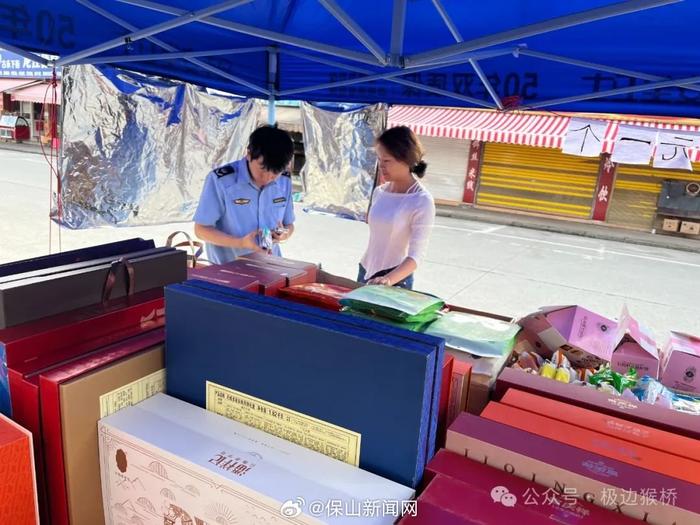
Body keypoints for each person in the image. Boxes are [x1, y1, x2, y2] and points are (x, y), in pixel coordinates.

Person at [193, 125, 295, 264]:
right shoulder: (221, 181)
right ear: (248, 153)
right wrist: (240, 242)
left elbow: (289, 224)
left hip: (271, 266)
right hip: (228, 270)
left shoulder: (284, 181)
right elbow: (201, 230)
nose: (268, 177)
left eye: (275, 172)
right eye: (263, 169)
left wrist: (284, 234)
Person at [358, 126, 436, 290]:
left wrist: (387, 280)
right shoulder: (379, 192)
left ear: (406, 159)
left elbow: (416, 256)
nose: (381, 166)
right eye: (379, 160)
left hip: (395, 279)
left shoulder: (422, 200)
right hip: (365, 271)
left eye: (386, 161)